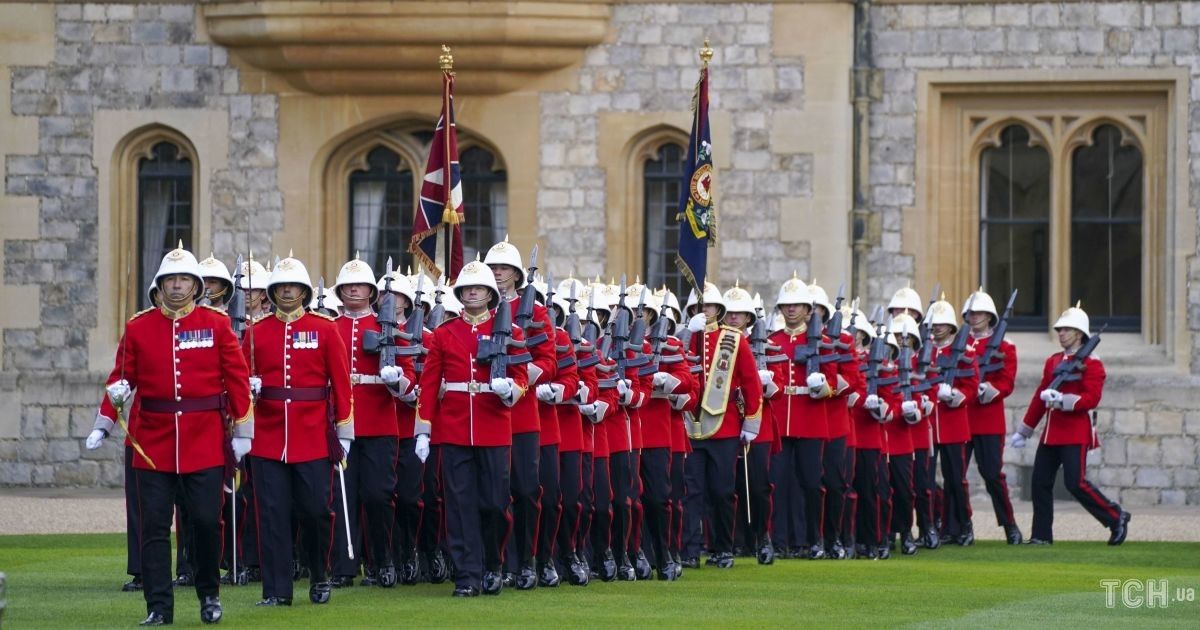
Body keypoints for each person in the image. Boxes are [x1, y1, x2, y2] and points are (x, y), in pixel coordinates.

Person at [87, 245, 252, 626]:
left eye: (183, 280)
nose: (177, 287)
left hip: (205, 440)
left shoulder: (215, 324)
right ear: (159, 287)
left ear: (195, 286)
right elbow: (121, 379)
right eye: (170, 280)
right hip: (153, 445)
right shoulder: (138, 326)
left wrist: (243, 431)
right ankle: (159, 606)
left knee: (207, 523)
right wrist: (104, 421)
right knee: (154, 528)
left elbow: (237, 380)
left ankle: (209, 593)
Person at [243, 254, 353, 607]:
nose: (287, 290)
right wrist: (250, 390)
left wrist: (344, 432)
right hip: (268, 436)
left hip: (312, 436)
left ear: (304, 290)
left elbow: (341, 384)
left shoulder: (325, 328)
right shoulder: (256, 331)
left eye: (293, 285)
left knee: (317, 512)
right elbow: (239, 381)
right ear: (272, 291)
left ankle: (320, 573)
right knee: (272, 515)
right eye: (281, 286)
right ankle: (276, 589)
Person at [416, 260, 530, 596]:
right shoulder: (444, 333)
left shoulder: (509, 331)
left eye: (478, 287)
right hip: (453, 428)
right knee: (459, 503)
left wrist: (512, 389)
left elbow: (521, 375)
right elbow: (429, 382)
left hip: (493, 425)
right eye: (467, 288)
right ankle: (468, 574)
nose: (473, 292)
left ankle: (493, 563)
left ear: (491, 293)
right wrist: (423, 429)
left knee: (495, 504)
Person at [1010, 304, 1130, 545]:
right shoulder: (1053, 361)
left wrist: (1063, 401)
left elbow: (1092, 398)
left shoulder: (1093, 363)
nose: (1061, 333)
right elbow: (1039, 397)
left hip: (1075, 431)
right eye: (1060, 329)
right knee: (1040, 483)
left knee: (1076, 483)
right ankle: (1041, 535)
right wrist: (1025, 430)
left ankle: (1115, 516)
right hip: (1051, 432)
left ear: (1079, 333)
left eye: (1066, 329)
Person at [328, 257, 414, 588]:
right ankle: (344, 566)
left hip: (379, 421)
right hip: (342, 422)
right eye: (348, 285)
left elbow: (407, 376)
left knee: (378, 495)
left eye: (360, 285)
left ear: (371, 291)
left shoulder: (386, 327)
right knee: (342, 497)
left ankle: (383, 561)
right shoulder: (331, 327)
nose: (353, 289)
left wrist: (396, 380)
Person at [484, 239, 556, 590]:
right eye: (493, 268)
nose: (498, 273)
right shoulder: (479, 308)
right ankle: (499, 562)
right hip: (486, 411)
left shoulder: (535, 314)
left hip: (523, 412)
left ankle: (527, 561)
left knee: (526, 490)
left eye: (504, 268)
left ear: (516, 274)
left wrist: (522, 377)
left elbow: (548, 359)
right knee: (496, 494)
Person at [684, 282, 763, 569]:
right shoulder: (684, 338)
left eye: (708, 306)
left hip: (724, 425)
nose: (703, 310)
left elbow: (751, 381)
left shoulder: (733, 338)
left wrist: (751, 421)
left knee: (722, 491)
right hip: (690, 425)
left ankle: (723, 548)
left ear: (718, 308)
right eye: (698, 306)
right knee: (691, 492)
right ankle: (690, 549)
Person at [766, 276, 837, 559]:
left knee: (810, 483)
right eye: (786, 305)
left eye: (797, 305)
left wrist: (824, 387)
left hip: (810, 417)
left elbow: (832, 380)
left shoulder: (822, 341)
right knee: (779, 483)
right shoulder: (773, 341)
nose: (791, 310)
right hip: (781, 417)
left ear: (808, 310)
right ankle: (780, 540)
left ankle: (812, 539)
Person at [962, 289, 1021, 544]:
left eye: (979, 313)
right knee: (956, 477)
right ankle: (961, 525)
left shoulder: (1005, 347)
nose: (974, 317)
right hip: (962, 417)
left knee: (992, 474)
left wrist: (990, 391)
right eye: (971, 313)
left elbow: (1007, 381)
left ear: (990, 316)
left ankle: (1009, 524)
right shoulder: (961, 346)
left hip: (987, 418)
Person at [924, 299, 979, 545]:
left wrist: (956, 396)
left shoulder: (964, 352)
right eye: (933, 324)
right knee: (925, 479)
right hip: (928, 423)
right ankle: (940, 526)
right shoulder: (924, 351)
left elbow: (972, 385)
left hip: (953, 421)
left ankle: (964, 526)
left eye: (941, 324)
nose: (936, 328)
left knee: (956, 478)